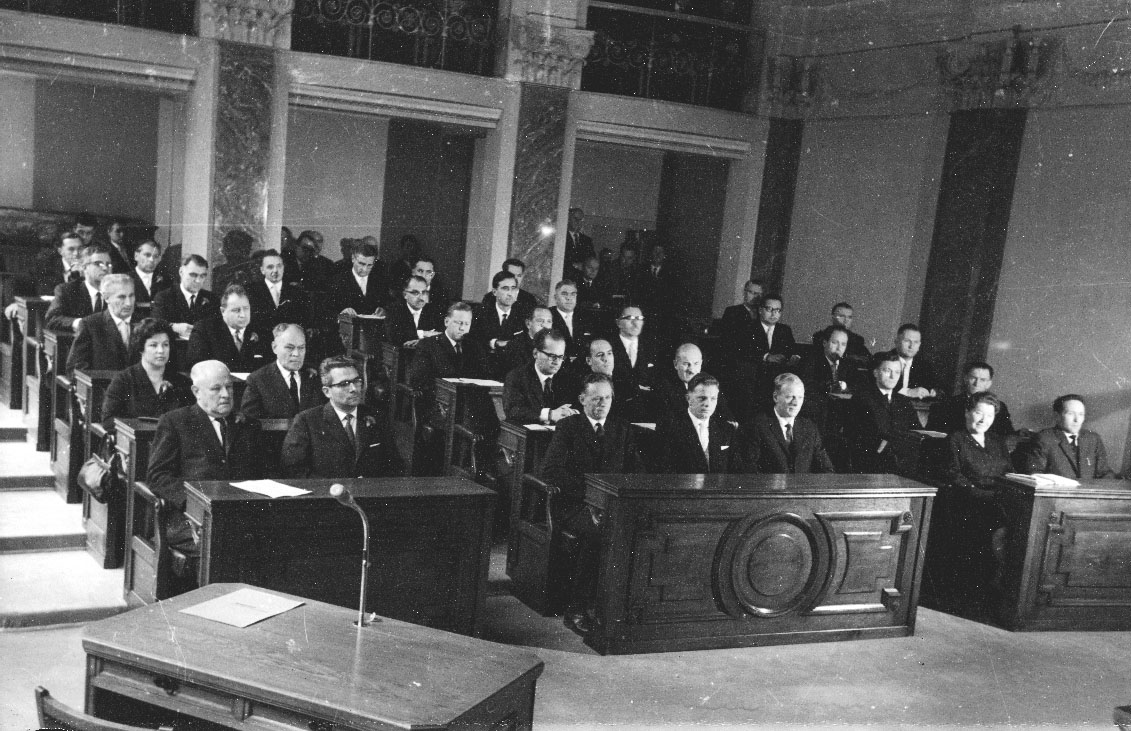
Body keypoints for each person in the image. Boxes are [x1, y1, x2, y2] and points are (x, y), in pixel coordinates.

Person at [540, 373, 640, 634]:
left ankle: (618, 607)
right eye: (596, 398)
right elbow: (552, 470)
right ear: (582, 399)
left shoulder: (622, 428)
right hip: (575, 504)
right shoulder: (568, 427)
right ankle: (576, 609)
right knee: (599, 533)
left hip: (613, 505)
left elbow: (635, 470)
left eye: (607, 398)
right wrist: (591, 498)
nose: (602, 403)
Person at [147, 360, 264, 569]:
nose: (226, 394)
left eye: (229, 387)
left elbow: (261, 472)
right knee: (224, 545)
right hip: (189, 516)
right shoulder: (175, 422)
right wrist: (192, 505)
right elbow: (158, 476)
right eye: (216, 389)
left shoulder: (248, 424)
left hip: (238, 513)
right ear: (196, 392)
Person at [935, 392, 1014, 597]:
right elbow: (954, 476)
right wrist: (985, 495)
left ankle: (1001, 582)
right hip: (967, 502)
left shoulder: (997, 441)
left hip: (998, 500)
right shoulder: (956, 439)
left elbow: (1009, 473)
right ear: (967, 412)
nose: (983, 420)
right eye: (979, 413)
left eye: (989, 415)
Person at [281, 356, 404, 478]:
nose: (353, 389)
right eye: (344, 384)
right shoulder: (306, 421)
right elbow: (295, 469)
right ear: (327, 391)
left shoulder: (377, 418)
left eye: (357, 381)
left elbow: (395, 466)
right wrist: (331, 488)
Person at [101, 318, 193, 430]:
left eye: (165, 345)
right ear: (141, 348)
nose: (161, 351)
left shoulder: (182, 382)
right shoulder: (123, 380)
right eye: (153, 345)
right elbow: (108, 420)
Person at [739, 373, 835, 474]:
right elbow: (749, 470)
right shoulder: (757, 426)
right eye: (790, 397)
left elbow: (827, 469)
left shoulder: (809, 428)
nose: (796, 403)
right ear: (775, 397)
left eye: (800, 397)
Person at [850, 352, 922, 475]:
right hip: (873, 463)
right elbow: (858, 436)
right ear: (875, 373)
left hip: (903, 462)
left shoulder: (903, 401)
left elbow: (916, 430)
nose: (893, 376)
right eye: (887, 371)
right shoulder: (862, 399)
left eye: (897, 372)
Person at [656, 373, 741, 473]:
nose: (708, 404)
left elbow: (736, 471)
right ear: (688, 398)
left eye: (713, 399)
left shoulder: (726, 429)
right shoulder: (670, 428)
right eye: (702, 398)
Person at [239, 324, 324, 419]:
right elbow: (250, 422)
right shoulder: (258, 381)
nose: (296, 354)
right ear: (274, 347)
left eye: (301, 348)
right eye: (289, 347)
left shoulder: (315, 377)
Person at [1023, 394, 1116, 479]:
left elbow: (1104, 473)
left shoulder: (1093, 439)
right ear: (1057, 416)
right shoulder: (1044, 438)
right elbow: (1034, 474)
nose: (1077, 420)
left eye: (1081, 414)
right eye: (1070, 414)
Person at [502, 329, 579, 425]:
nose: (556, 362)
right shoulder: (517, 377)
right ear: (535, 353)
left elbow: (581, 406)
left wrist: (572, 412)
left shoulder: (569, 378)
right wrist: (550, 414)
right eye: (552, 356)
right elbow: (513, 410)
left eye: (560, 357)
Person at [186, 284, 269, 372]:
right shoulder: (204, 330)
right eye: (236, 310)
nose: (243, 315)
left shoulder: (261, 330)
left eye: (246, 308)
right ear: (223, 311)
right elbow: (197, 367)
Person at [66, 274, 139, 373]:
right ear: (106, 298)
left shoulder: (144, 323)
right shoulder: (90, 325)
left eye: (131, 296)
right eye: (121, 297)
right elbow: (75, 368)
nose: (128, 303)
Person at [927, 361, 1016, 437]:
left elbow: (1007, 434)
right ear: (965, 379)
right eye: (973, 378)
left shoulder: (1000, 407)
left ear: (989, 384)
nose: (977, 383)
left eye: (982, 380)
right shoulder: (946, 404)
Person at [655, 343, 734, 426]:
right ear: (676, 364)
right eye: (686, 364)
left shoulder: (709, 383)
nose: (692, 370)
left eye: (696, 364)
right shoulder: (664, 387)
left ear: (701, 363)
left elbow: (726, 416)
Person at [45, 244, 113, 333]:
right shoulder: (67, 290)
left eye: (108, 264)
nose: (105, 268)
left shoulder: (117, 291)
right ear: (84, 267)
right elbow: (52, 320)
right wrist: (80, 323)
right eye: (98, 264)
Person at [471, 270, 526, 378]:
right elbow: (474, 341)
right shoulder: (480, 313)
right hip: (484, 369)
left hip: (512, 371)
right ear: (494, 292)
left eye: (513, 288)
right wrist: (494, 343)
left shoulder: (523, 315)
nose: (510, 293)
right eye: (505, 288)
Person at [608, 305, 657, 419]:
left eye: (639, 318)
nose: (636, 323)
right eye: (630, 318)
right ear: (618, 323)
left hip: (645, 410)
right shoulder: (608, 346)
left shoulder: (651, 347)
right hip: (615, 409)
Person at [246, 249, 311, 332]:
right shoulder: (249, 292)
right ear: (262, 270)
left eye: (279, 266)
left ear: (283, 268)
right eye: (270, 267)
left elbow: (303, 323)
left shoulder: (296, 293)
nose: (275, 270)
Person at [152, 255, 213, 339]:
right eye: (193, 275)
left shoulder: (212, 298)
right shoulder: (164, 297)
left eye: (202, 276)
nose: (198, 280)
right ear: (181, 272)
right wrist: (174, 327)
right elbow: (155, 324)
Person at [331, 240, 388, 318]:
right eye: (361, 264)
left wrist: (384, 310)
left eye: (369, 265)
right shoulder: (338, 280)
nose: (364, 269)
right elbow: (327, 311)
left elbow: (388, 303)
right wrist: (342, 313)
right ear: (353, 258)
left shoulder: (379, 281)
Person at [385, 275, 443, 347]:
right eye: (415, 293)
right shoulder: (394, 310)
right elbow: (395, 336)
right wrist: (423, 334)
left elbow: (442, 336)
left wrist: (420, 341)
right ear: (405, 295)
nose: (421, 297)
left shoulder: (434, 311)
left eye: (424, 292)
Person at [812, 302, 870, 367]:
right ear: (832, 318)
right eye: (842, 316)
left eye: (849, 317)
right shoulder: (820, 336)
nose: (846, 320)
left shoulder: (857, 340)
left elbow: (867, 360)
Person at [893, 324, 940, 398]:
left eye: (916, 342)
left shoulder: (924, 365)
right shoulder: (883, 359)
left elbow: (940, 389)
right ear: (896, 342)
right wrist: (908, 392)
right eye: (907, 341)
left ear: (919, 345)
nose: (911, 346)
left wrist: (933, 392)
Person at [504, 305, 554, 373]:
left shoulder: (555, 344)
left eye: (549, 321)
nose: (545, 325)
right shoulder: (514, 346)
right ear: (528, 324)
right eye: (540, 321)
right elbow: (518, 375)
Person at [129, 239, 171, 305]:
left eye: (155, 256)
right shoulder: (125, 279)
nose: (151, 260)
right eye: (147, 255)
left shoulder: (166, 281)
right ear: (136, 256)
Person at [564, 207, 595, 274]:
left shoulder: (587, 241)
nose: (578, 222)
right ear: (568, 219)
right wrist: (573, 265)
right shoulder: (562, 238)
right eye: (575, 219)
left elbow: (591, 261)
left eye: (581, 220)